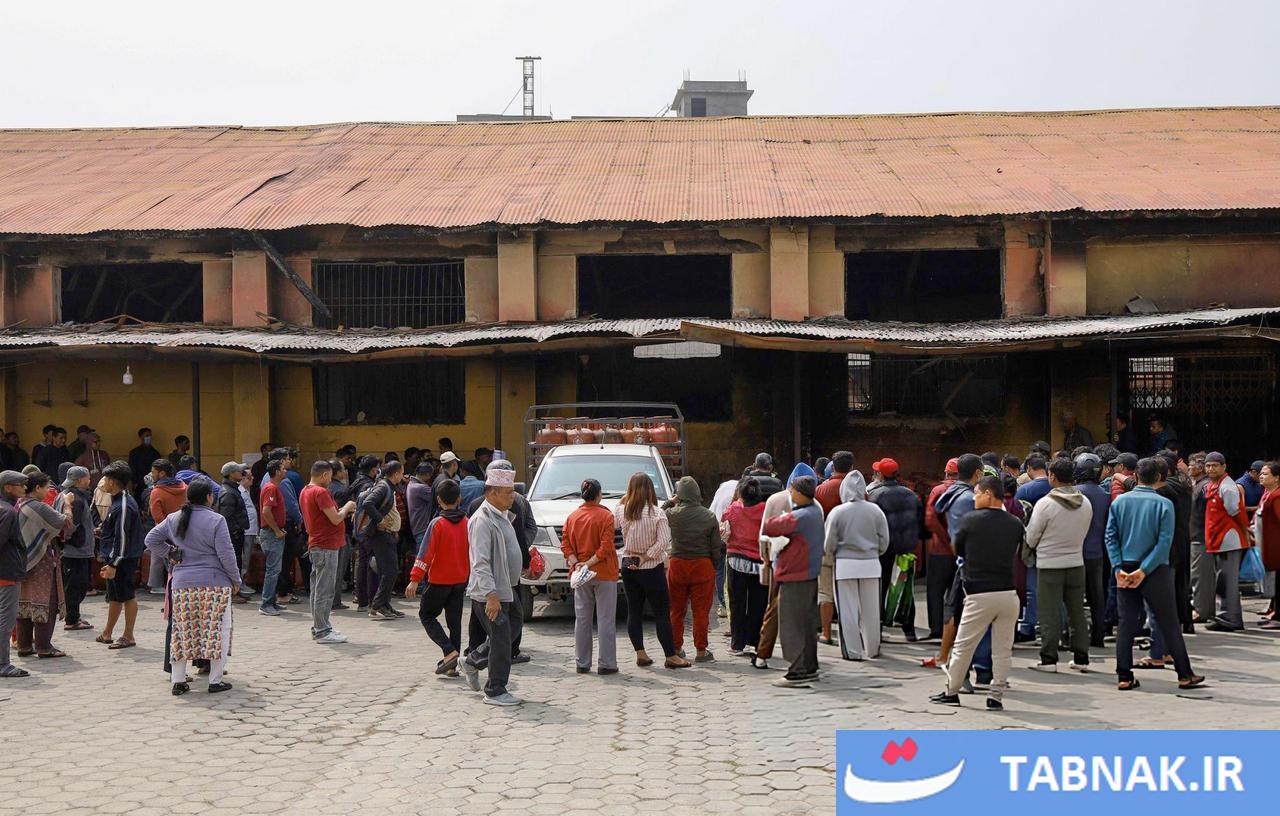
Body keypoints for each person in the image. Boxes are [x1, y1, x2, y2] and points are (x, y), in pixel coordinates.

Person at [1106, 457, 1204, 692]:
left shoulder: (1120, 502)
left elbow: (1110, 537)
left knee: (1126, 623)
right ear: (1160, 477)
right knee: (1169, 621)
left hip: (1125, 567)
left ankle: (1124, 676)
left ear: (1135, 476)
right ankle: (1184, 674)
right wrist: (1144, 570)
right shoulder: (1163, 504)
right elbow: (1164, 542)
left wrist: (1118, 568)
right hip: (1156, 569)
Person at [930, 476, 1023, 710]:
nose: (974, 498)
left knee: (964, 645)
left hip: (979, 593)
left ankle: (951, 691)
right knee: (1002, 649)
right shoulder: (1015, 523)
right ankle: (996, 696)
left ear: (988, 494)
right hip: (1008, 594)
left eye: (978, 493)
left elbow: (958, 548)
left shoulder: (970, 520)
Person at [144, 479, 240, 695]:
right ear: (208, 497)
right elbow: (226, 554)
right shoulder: (217, 520)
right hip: (215, 583)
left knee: (182, 630)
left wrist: (171, 553)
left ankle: (178, 680)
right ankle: (215, 680)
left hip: (182, 584)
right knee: (218, 631)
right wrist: (236, 580)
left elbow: (151, 540)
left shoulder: (173, 518)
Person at [460, 466, 522, 705]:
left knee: (511, 630)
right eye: (508, 493)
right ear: (493, 493)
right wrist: (491, 596)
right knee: (501, 639)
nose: (512, 497)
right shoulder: (482, 520)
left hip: (507, 588)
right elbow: (480, 562)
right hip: (490, 592)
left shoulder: (502, 514)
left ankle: (472, 661)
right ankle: (495, 690)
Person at [1023, 458, 1092, 672]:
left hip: (1049, 565)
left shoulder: (1045, 504)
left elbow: (1031, 537)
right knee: (1077, 612)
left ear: (1052, 476)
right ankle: (1081, 658)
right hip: (1076, 563)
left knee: (1049, 613)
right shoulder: (1085, 503)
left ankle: (1049, 659)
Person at [612, 472, 686, 669]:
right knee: (661, 612)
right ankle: (670, 655)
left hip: (628, 563)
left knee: (634, 611)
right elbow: (663, 541)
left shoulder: (623, 511)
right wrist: (646, 556)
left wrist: (624, 499)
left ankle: (641, 654)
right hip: (651, 567)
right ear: (650, 490)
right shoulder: (657, 513)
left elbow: (613, 520)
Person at [761, 474, 825, 687]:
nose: (790, 493)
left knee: (792, 627)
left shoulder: (802, 515)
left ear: (800, 493)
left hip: (795, 576)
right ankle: (809, 667)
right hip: (808, 575)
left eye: (792, 490)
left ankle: (797, 672)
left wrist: (781, 513)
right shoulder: (815, 511)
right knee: (806, 625)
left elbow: (770, 526)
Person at [406, 478, 470, 674]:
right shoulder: (467, 523)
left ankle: (449, 652)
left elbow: (425, 553)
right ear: (459, 499)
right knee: (454, 622)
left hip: (439, 581)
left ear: (439, 500)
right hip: (460, 580)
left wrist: (414, 579)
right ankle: (452, 666)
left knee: (426, 615)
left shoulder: (437, 524)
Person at [824, 469, 888, 660]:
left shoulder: (837, 512)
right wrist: (873, 553)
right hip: (871, 564)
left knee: (847, 610)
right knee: (872, 609)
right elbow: (884, 540)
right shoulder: (875, 511)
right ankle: (872, 648)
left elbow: (828, 543)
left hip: (844, 565)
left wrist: (833, 556)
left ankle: (853, 651)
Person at [754, 463, 812, 670]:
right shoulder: (814, 505)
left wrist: (765, 559)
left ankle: (763, 654)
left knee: (773, 611)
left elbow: (764, 534)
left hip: (778, 563)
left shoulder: (774, 500)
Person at [562, 478, 620, 674]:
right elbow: (606, 547)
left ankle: (582, 662)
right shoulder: (606, 516)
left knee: (582, 619)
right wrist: (589, 563)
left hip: (580, 574)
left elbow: (565, 545)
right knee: (605, 619)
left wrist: (577, 563)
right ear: (599, 494)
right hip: (604, 572)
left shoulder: (572, 517)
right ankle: (607, 663)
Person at [15, 472, 73, 659]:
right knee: (46, 602)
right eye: (46, 487)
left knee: (24, 603)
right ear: (37, 488)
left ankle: (24, 646)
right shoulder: (38, 506)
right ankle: (44, 647)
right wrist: (67, 504)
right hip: (42, 561)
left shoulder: (20, 504)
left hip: (22, 561)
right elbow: (65, 522)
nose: (48, 491)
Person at [664, 476, 721, 663]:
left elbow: (658, 513)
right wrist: (714, 566)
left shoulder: (672, 514)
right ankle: (701, 651)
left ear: (679, 495)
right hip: (702, 565)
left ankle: (676, 648)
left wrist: (671, 501)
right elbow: (716, 547)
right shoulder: (709, 516)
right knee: (701, 611)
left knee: (676, 610)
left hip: (677, 565)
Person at [299, 461, 357, 644]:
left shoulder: (306, 490)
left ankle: (320, 626)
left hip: (318, 545)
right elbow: (336, 518)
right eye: (330, 476)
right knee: (325, 590)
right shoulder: (320, 492)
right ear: (324, 475)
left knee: (318, 589)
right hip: (325, 546)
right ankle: (322, 630)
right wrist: (348, 506)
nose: (331, 480)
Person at [870, 457, 922, 641]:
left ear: (880, 475)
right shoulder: (911, 495)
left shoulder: (875, 496)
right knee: (906, 588)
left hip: (884, 549)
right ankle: (909, 629)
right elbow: (919, 523)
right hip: (906, 549)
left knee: (881, 586)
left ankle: (878, 627)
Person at [95, 462, 144, 650]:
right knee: (114, 596)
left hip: (122, 559)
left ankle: (128, 635)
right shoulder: (118, 501)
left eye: (105, 479)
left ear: (112, 482)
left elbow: (122, 537)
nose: (103, 482)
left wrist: (114, 564)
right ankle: (107, 633)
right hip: (115, 557)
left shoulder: (123, 505)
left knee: (127, 596)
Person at [723, 477, 772, 659]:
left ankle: (737, 644)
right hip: (759, 562)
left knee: (737, 603)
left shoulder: (733, 509)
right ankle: (756, 642)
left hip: (736, 560)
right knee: (758, 604)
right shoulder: (765, 509)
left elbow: (724, 524)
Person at [1203, 451, 1250, 632]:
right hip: (1219, 539)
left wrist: (1246, 533)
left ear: (1224, 467)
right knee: (1224, 581)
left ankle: (1230, 619)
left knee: (1227, 582)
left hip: (1228, 540)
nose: (1211, 469)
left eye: (1215, 465)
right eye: (1208, 465)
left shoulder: (1227, 487)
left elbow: (1236, 512)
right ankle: (1229, 617)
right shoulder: (1214, 485)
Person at [354, 460, 405, 621]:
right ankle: (378, 606)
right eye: (401, 473)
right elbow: (368, 503)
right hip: (381, 535)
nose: (402, 476)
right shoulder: (383, 487)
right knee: (390, 572)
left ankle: (385, 604)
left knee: (387, 571)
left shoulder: (389, 486)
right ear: (395, 474)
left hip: (388, 534)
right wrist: (380, 519)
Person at [814, 451, 854, 645]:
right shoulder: (856, 490)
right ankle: (850, 634)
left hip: (825, 546)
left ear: (833, 467)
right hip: (850, 549)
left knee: (825, 592)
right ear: (851, 467)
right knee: (849, 593)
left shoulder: (820, 490)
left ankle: (826, 633)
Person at [1073, 453, 1112, 648]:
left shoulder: (1072, 494)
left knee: (1073, 596)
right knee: (1097, 595)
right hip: (1097, 552)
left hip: (1074, 551)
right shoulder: (1106, 496)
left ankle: (1075, 635)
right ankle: (1098, 635)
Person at [1155, 450, 1194, 635]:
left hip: (1172, 539)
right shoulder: (1184, 482)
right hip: (1184, 536)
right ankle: (1186, 621)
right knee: (1182, 582)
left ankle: (1176, 622)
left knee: (1172, 583)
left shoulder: (1167, 487)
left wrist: (1120, 477)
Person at [923, 459, 959, 640]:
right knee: (958, 592)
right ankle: (955, 628)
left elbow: (930, 519)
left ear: (946, 472)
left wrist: (945, 539)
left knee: (935, 591)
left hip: (939, 550)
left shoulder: (938, 490)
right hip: (961, 551)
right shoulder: (969, 491)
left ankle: (937, 628)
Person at [56, 466, 96, 632]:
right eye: (87, 478)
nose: (89, 480)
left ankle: (74, 616)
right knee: (75, 586)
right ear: (80, 480)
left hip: (74, 549)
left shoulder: (64, 494)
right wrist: (71, 538)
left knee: (76, 584)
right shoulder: (76, 500)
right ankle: (71, 620)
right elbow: (70, 526)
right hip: (75, 551)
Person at [0, 471, 28, 677]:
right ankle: (2, 663)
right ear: (8, 487)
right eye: (21, 484)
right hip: (7, 573)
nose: (24, 488)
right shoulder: (8, 512)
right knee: (5, 620)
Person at [147, 459, 186, 594]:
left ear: (162, 473)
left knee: (158, 554)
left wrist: (166, 530)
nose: (152, 475)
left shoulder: (156, 492)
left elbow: (157, 516)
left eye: (153, 472)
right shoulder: (184, 487)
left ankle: (156, 584)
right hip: (184, 529)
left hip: (165, 530)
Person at [257, 461, 288, 617]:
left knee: (275, 569)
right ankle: (266, 603)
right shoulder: (271, 488)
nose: (285, 470)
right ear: (277, 472)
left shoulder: (273, 487)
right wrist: (276, 530)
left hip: (273, 532)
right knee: (273, 570)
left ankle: (272, 601)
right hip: (271, 533)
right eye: (282, 469)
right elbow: (266, 511)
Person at [217, 462, 251, 603]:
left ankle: (235, 590)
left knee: (237, 561)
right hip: (233, 535)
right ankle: (231, 593)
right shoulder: (229, 492)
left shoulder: (232, 490)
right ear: (231, 474)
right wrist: (235, 530)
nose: (241, 473)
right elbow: (226, 517)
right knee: (233, 562)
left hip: (236, 533)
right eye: (238, 471)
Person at [1252, 461, 1280, 629]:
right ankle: (1274, 613)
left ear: (1276, 478)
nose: (1261, 476)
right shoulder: (1268, 494)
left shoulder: (1276, 497)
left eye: (1265, 474)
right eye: (1261, 473)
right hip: (1269, 546)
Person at [1188, 452, 1214, 623]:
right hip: (1198, 534)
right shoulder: (1199, 484)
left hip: (1201, 535)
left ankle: (1201, 610)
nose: (1189, 468)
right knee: (1199, 575)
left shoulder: (1204, 486)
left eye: (1191, 465)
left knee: (1200, 576)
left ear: (1200, 467)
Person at [125, 428, 161, 498]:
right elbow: (131, 468)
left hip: (153, 484)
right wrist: (134, 482)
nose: (149, 437)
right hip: (139, 485)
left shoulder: (155, 453)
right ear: (141, 437)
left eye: (150, 435)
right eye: (147, 435)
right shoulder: (134, 453)